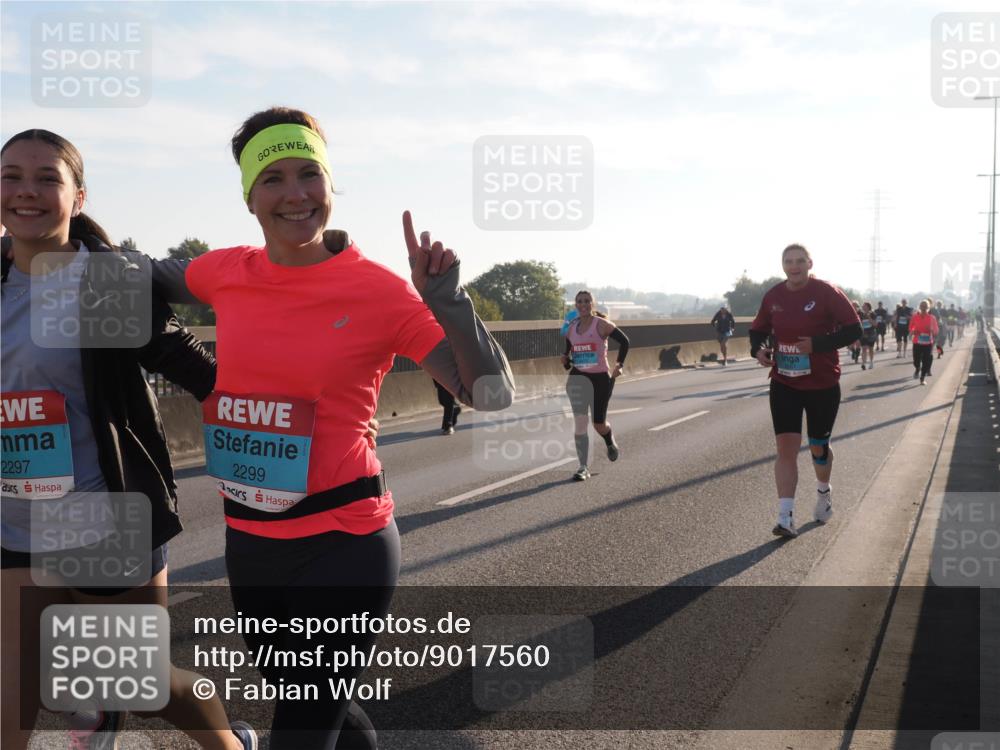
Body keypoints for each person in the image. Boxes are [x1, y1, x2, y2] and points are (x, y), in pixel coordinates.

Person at [149, 107, 514, 750]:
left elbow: (490, 393)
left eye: (310, 174)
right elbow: (140, 275)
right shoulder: (222, 271)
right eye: (274, 178)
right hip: (252, 537)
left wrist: (448, 301)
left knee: (303, 727)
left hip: (345, 540)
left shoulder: (377, 290)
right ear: (250, 198)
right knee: (325, 716)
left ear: (330, 185)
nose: (295, 193)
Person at [0, 130, 257, 750]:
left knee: (134, 679)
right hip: (12, 524)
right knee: (12, 698)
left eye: (47, 178)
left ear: (78, 196)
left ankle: (233, 747)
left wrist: (313, 416)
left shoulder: (105, 283)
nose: (26, 191)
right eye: (11, 176)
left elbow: (205, 378)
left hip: (103, 519)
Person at [749, 244, 861, 538]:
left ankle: (823, 492)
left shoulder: (827, 292)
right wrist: (758, 350)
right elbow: (758, 330)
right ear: (782, 265)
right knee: (785, 448)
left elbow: (854, 330)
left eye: (800, 261)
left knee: (818, 447)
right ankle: (785, 516)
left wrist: (817, 345)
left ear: (810, 263)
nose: (794, 266)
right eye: (789, 261)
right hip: (784, 382)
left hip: (822, 384)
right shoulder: (774, 296)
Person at [560, 291, 630, 481]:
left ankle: (608, 439)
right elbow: (568, 353)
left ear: (593, 304)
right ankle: (583, 466)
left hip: (600, 379)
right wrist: (565, 360)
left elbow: (625, 342)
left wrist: (619, 365)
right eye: (579, 301)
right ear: (575, 305)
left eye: (587, 301)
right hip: (577, 379)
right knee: (580, 424)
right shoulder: (572, 327)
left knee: (598, 424)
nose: (583, 304)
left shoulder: (602, 325)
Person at [909, 299, 939, 385]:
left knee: (926, 360)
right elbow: (911, 327)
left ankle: (922, 378)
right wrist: (913, 331)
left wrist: (932, 330)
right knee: (916, 360)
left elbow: (936, 330)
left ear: (928, 308)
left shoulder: (931, 318)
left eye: (925, 306)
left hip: (927, 343)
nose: (923, 308)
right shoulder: (915, 317)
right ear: (919, 307)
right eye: (922, 306)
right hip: (917, 341)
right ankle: (917, 368)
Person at [858, 301, 878, 370]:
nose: (863, 307)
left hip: (871, 333)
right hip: (863, 334)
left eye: (865, 306)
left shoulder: (873, 314)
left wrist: (869, 317)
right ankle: (863, 363)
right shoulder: (860, 314)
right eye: (863, 306)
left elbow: (875, 324)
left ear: (868, 307)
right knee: (863, 348)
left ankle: (871, 362)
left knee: (871, 349)